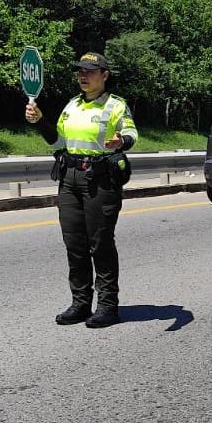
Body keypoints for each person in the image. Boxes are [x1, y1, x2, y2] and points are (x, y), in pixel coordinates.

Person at [25, 52, 138, 327]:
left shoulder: (115, 105)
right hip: (70, 178)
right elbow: (58, 141)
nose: (83, 76)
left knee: (100, 243)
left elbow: (132, 134)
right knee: (74, 244)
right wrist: (40, 121)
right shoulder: (72, 106)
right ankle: (80, 304)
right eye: (80, 71)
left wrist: (120, 141)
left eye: (90, 71)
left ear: (104, 75)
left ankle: (108, 306)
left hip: (100, 180)